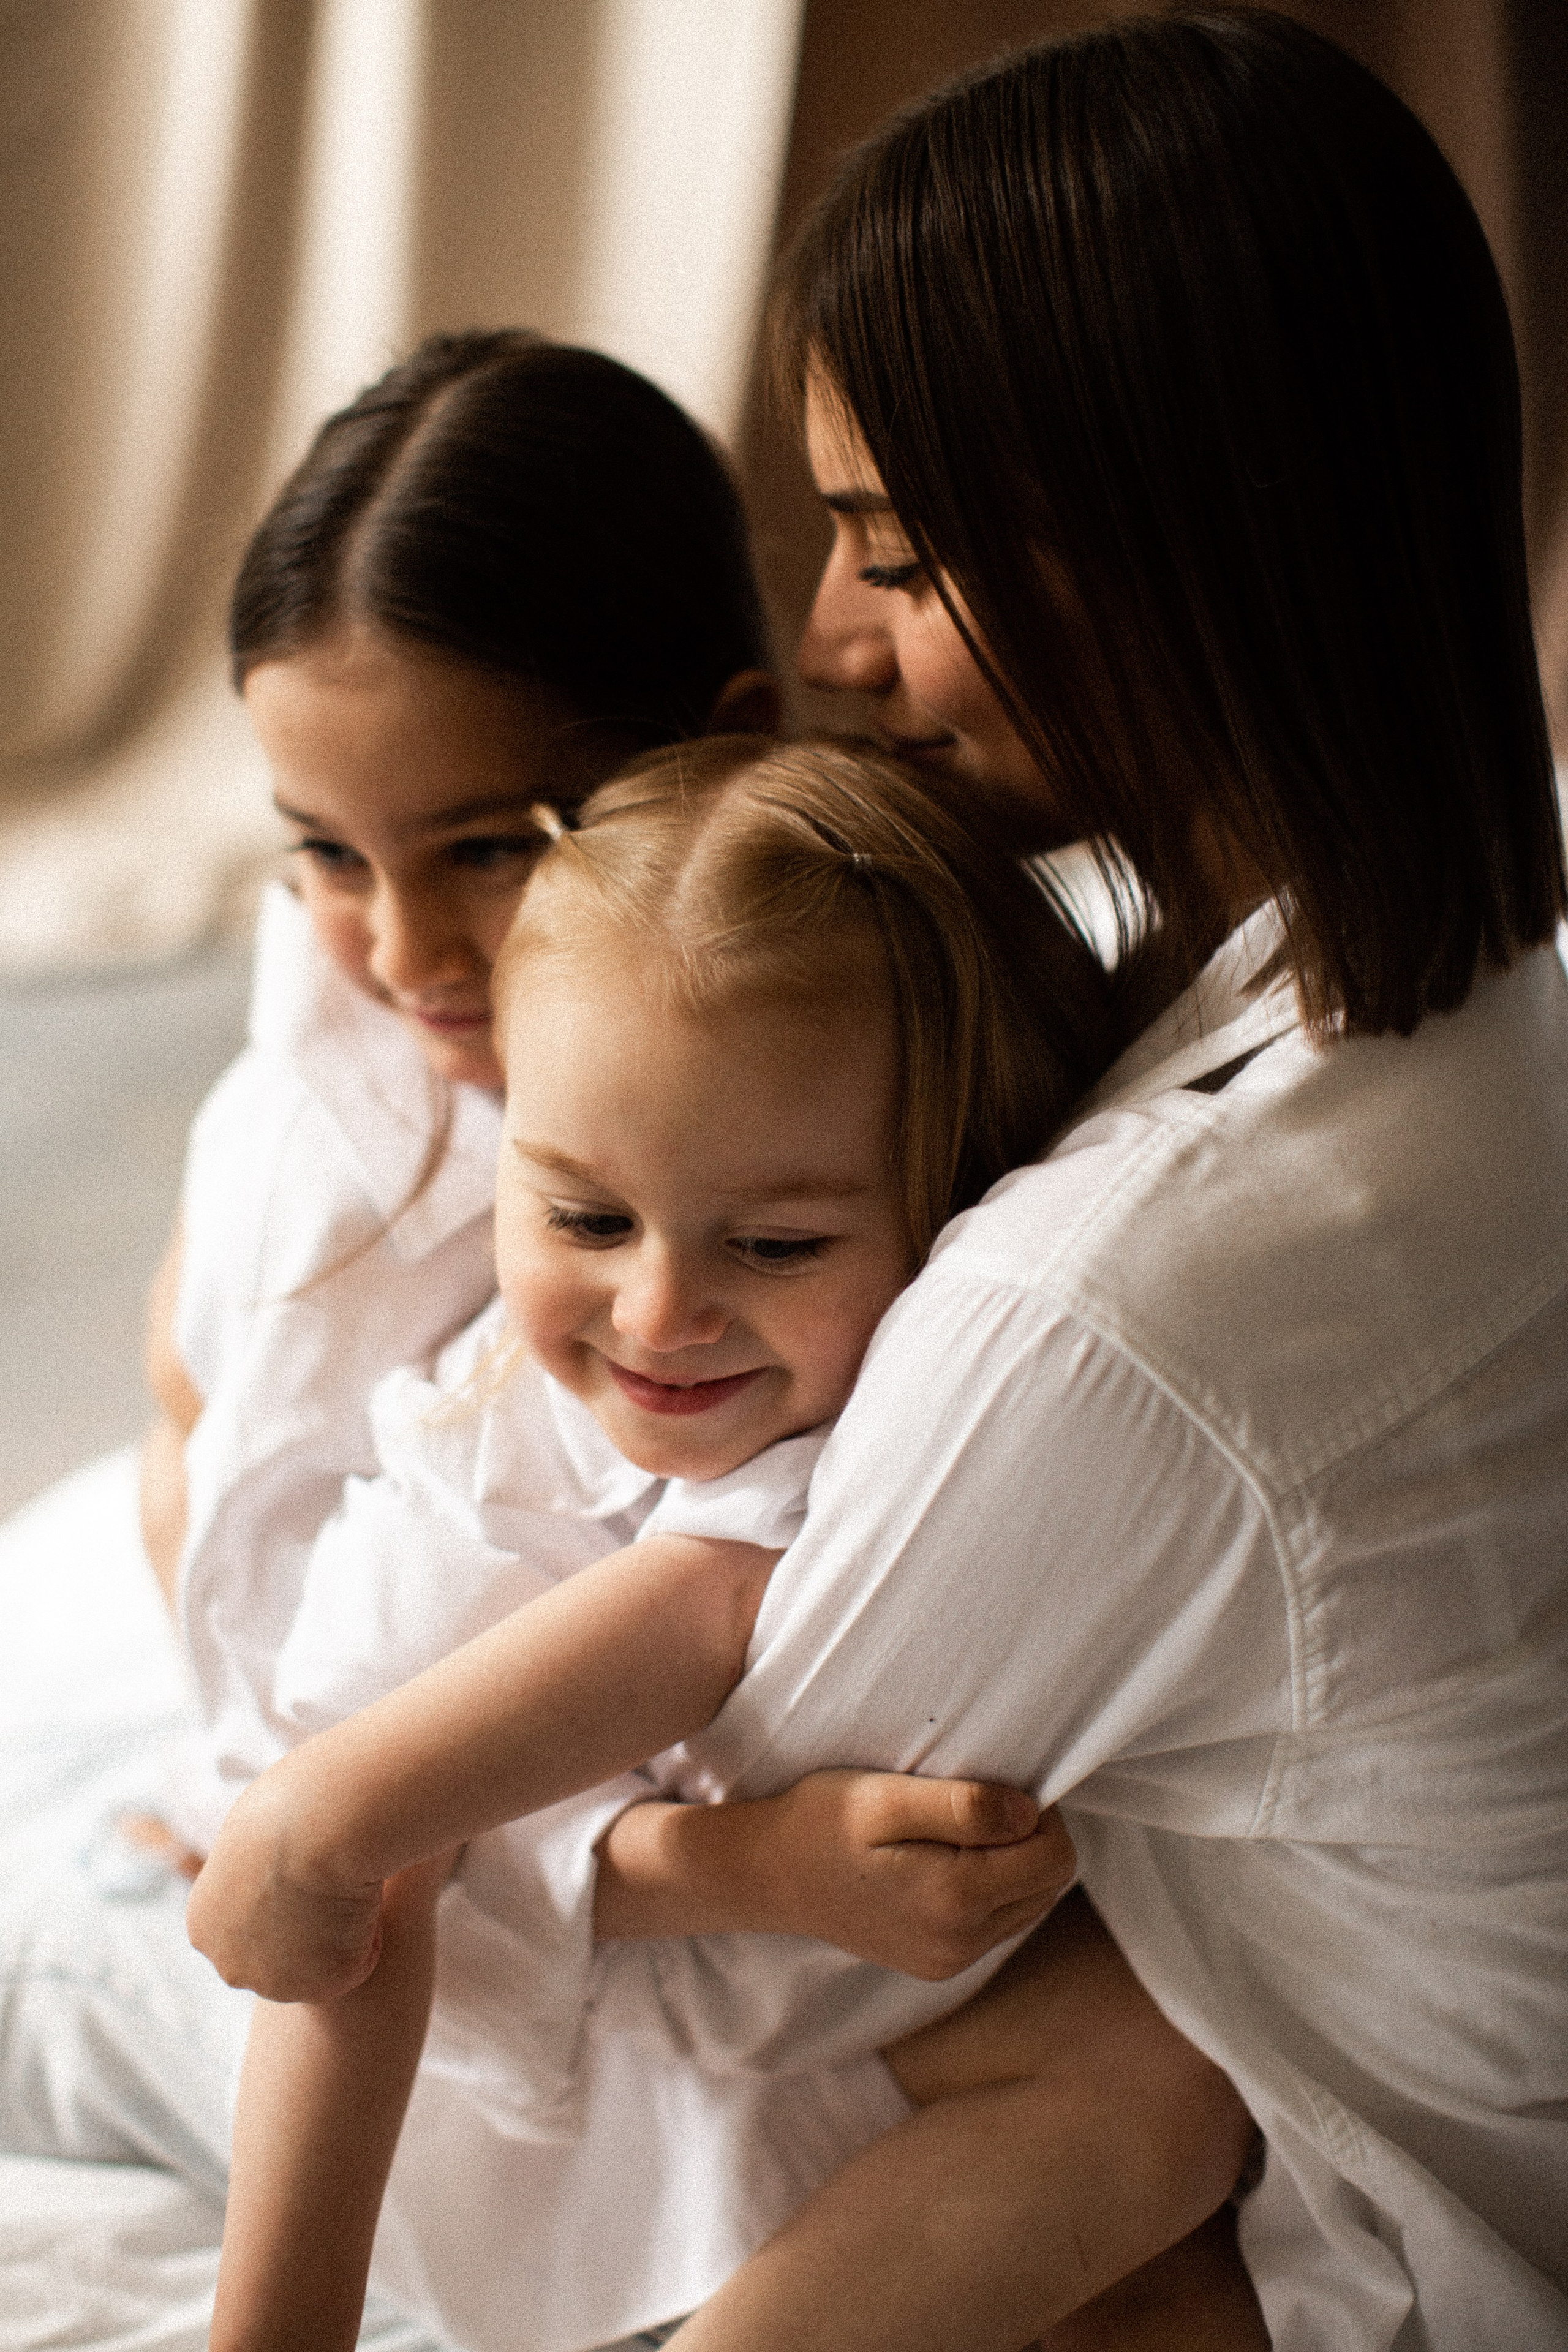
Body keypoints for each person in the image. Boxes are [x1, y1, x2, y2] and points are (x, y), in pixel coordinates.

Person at [611, 12, 1564, 2348]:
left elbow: (734, 1965)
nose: (829, 643)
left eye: (897, 554)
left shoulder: (1123, 1315)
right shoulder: (1485, 998)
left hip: (1385, 2263)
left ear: (1184, 558)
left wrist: (622, 1846)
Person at [0, 333, 1087, 2352]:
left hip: (507, 1868)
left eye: (485, 849)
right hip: (341, 1833)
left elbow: (674, 1636)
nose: (404, 951)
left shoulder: (788, 1137)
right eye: (324, 851)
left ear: (717, 743)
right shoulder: (342, 1082)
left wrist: (600, 1842)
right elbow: (242, 1506)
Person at [187, 732, 1120, 2352]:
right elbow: (382, 1873)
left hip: (800, 2046)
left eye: (774, 1243)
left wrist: (334, 1817)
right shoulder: (486, 1440)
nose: (662, 1312)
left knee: (1168, 2084)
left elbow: (708, 1597)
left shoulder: (905, 1403)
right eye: (585, 1219)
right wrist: (322, 1819)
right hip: (535, 2072)